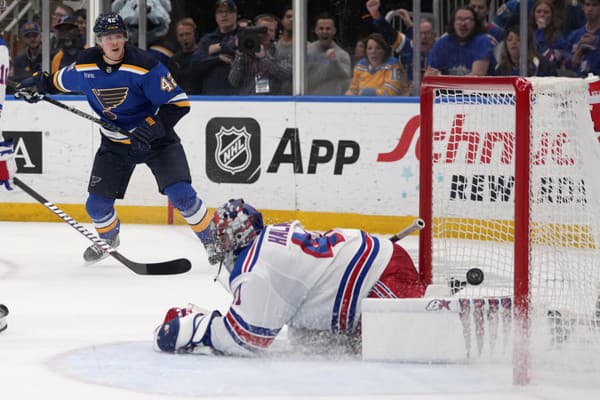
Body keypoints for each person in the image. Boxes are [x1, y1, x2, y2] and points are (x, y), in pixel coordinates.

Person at [14, 13, 213, 262]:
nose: (114, 42)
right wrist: (36, 85)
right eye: (108, 37)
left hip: (156, 142)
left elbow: (179, 103)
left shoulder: (144, 65)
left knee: (182, 195)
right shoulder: (86, 64)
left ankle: (213, 240)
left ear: (125, 38)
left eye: (118, 35)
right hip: (115, 145)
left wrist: (151, 126)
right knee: (96, 207)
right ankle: (108, 238)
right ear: (99, 41)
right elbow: (57, 82)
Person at [153, 199, 426, 355]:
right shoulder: (267, 241)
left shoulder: (256, 268)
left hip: (385, 280)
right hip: (381, 263)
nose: (218, 244)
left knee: (394, 349)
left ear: (240, 236)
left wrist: (191, 327)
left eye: (223, 237)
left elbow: (246, 340)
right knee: (309, 345)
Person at [365, 0, 437, 94]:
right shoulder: (408, 46)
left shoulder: (441, 50)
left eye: (427, 33)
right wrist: (376, 14)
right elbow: (389, 34)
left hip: (434, 97)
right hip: (410, 97)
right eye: (420, 33)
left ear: (434, 36)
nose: (423, 37)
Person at [228, 14, 292, 95]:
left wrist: (264, 58)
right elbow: (233, 81)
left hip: (271, 103)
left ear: (275, 33)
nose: (266, 33)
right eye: (262, 29)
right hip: (246, 102)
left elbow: (285, 75)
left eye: (271, 30)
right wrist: (239, 57)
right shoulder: (245, 50)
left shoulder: (280, 51)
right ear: (254, 30)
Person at [425, 5, 495, 76]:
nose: (463, 24)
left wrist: (442, 78)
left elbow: (476, 77)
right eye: (459, 19)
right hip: (448, 86)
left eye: (468, 19)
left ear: (475, 23)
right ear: (453, 23)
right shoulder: (442, 42)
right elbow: (430, 74)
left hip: (478, 87)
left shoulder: (483, 41)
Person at [191, 0, 239, 95]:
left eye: (228, 11)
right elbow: (194, 65)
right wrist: (218, 58)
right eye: (220, 12)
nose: (224, 15)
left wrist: (220, 47)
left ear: (235, 15)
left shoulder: (244, 35)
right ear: (216, 17)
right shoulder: (207, 40)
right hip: (212, 97)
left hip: (240, 97)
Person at [306, 14, 352, 95]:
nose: (324, 31)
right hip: (308, 100)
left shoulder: (342, 55)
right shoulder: (306, 51)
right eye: (321, 28)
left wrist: (335, 62)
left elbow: (346, 79)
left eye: (328, 28)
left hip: (331, 102)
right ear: (316, 30)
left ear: (334, 31)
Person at [530, 0, 570, 70]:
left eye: (546, 12)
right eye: (539, 12)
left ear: (552, 16)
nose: (542, 15)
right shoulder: (527, 34)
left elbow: (551, 59)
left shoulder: (558, 38)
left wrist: (540, 31)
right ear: (533, 15)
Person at [168, 18, 202, 94]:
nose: (185, 38)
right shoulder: (174, 60)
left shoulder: (203, 56)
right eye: (181, 35)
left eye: (188, 34)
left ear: (194, 34)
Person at [568, 0, 600, 76]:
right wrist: (578, 52)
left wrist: (597, 41)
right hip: (577, 82)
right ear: (583, 7)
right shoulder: (574, 35)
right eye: (587, 4)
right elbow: (566, 65)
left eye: (595, 5)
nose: (590, 9)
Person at [275, 6, 293, 94]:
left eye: (295, 17)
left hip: (298, 98)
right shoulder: (273, 46)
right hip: (275, 99)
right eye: (288, 16)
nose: (292, 19)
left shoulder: (306, 47)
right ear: (282, 21)